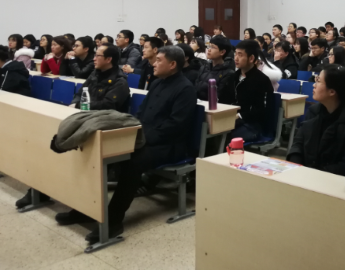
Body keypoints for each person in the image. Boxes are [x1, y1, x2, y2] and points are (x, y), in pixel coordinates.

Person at [61, 46, 198, 242]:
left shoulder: (185, 89)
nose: (154, 63)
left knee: (132, 161)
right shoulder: (157, 83)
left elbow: (175, 126)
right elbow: (141, 112)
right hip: (145, 138)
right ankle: (87, 209)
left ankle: (114, 221)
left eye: (159, 60)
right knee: (102, 151)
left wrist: (139, 139)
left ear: (173, 64)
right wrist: (132, 133)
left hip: (169, 145)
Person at [287, 64, 345, 175]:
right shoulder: (313, 111)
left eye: (318, 81)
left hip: (332, 180)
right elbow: (298, 145)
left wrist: (313, 174)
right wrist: (297, 166)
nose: (314, 85)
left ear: (332, 92)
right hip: (305, 175)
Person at [230, 40, 274, 142]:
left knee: (224, 137)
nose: (236, 58)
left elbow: (262, 111)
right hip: (232, 119)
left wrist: (240, 116)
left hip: (252, 125)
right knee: (212, 131)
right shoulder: (233, 77)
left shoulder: (262, 80)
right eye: (235, 54)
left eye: (240, 55)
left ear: (251, 58)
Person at [70, 44, 131, 113]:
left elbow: (107, 105)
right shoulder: (95, 74)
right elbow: (80, 93)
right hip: (87, 113)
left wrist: (78, 105)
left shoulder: (120, 82)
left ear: (108, 59)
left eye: (97, 56)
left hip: (104, 117)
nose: (94, 59)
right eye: (94, 55)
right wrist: (74, 103)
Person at [195, 35, 235, 104]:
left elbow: (219, 96)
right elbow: (195, 88)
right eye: (209, 46)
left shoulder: (228, 73)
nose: (209, 50)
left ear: (222, 52)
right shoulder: (204, 67)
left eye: (213, 47)